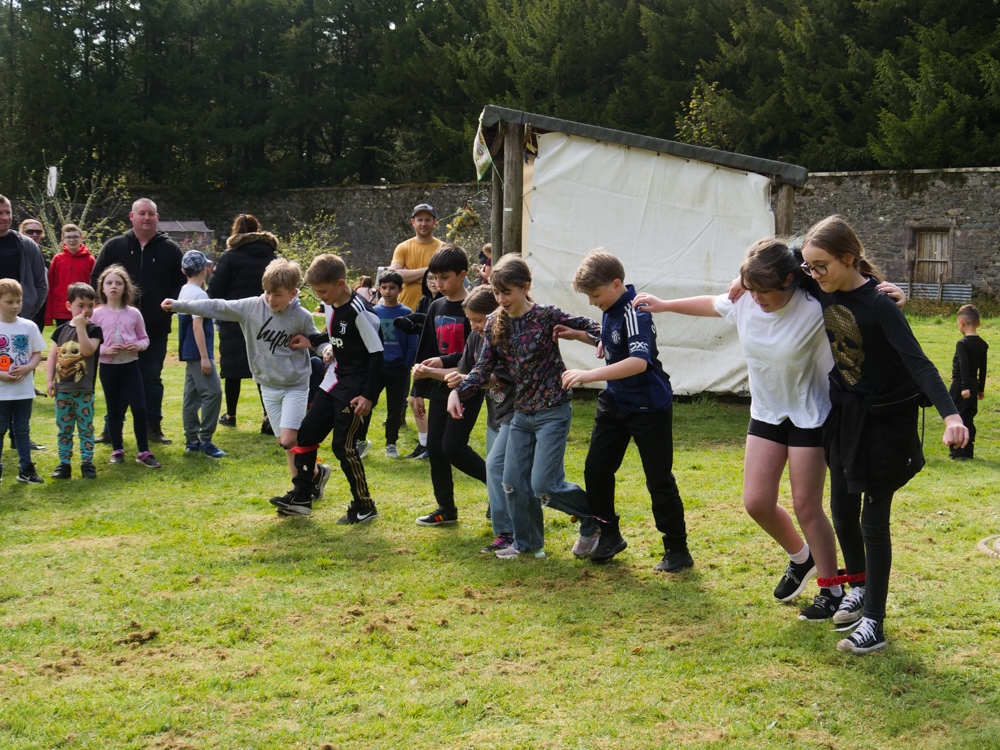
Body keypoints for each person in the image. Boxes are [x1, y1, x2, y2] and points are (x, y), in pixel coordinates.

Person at [635, 240, 841, 604]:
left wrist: (893, 297)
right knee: (757, 502)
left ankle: (832, 588)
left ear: (789, 280)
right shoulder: (745, 298)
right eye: (751, 288)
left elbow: (856, 292)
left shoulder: (814, 307)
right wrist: (665, 305)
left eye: (763, 290)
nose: (756, 298)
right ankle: (801, 558)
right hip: (767, 412)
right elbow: (712, 304)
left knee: (807, 507)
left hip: (810, 414)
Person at [797, 214, 967, 654]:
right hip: (845, 417)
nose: (813, 274)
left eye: (821, 266)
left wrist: (951, 417)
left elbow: (920, 363)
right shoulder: (820, 283)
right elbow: (775, 263)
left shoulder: (881, 306)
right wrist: (740, 284)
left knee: (872, 521)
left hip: (885, 425)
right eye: (809, 266)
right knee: (841, 509)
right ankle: (857, 588)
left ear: (849, 258)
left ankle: (874, 622)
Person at [448, 254, 600, 559]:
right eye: (496, 293)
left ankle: (595, 520)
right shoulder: (495, 322)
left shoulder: (546, 315)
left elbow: (593, 326)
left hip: (552, 411)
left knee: (544, 485)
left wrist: (600, 340)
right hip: (521, 414)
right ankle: (527, 545)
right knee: (513, 483)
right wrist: (457, 391)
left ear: (525, 287)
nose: (501, 299)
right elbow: (483, 368)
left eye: (507, 292)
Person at [556, 250, 693, 573]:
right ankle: (609, 535)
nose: (592, 302)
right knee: (596, 470)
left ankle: (677, 549)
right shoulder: (611, 307)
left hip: (649, 407)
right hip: (615, 402)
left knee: (658, 480)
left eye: (595, 294)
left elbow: (638, 362)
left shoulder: (636, 311)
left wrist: (588, 375)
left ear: (616, 284)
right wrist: (579, 335)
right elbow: (612, 341)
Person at [163, 258, 331, 511]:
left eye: (277, 295)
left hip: (295, 385)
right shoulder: (252, 307)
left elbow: (318, 340)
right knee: (284, 442)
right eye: (267, 292)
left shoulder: (302, 316)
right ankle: (314, 476)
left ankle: (301, 492)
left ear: (293, 293)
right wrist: (178, 305)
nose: (270, 299)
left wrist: (324, 348)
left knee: (289, 439)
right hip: (267, 385)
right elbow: (217, 306)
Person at [284, 254, 383, 522]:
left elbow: (377, 356)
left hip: (355, 389)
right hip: (334, 380)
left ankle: (364, 506)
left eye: (323, 292)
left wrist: (368, 396)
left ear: (340, 284)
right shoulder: (331, 303)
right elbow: (335, 336)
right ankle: (302, 496)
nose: (319, 297)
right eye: (316, 292)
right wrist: (315, 341)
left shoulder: (361, 313)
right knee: (306, 434)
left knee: (344, 447)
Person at [91, 198, 183, 445]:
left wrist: (169, 307)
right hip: (115, 331)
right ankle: (111, 429)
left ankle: (153, 427)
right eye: (141, 213)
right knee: (116, 380)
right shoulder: (114, 246)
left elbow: (180, 282)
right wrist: (105, 308)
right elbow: (96, 278)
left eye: (151, 214)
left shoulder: (170, 249)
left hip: (154, 328)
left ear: (157, 217)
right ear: (132, 217)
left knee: (151, 378)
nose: (146, 218)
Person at [411, 245, 487, 526]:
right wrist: (417, 392)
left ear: (462, 275)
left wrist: (441, 367)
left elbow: (472, 360)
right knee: (434, 447)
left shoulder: (475, 308)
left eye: (445, 277)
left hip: (467, 386)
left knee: (452, 448)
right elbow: (425, 350)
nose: (438, 284)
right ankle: (446, 508)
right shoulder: (435, 306)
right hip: (438, 388)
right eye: (434, 278)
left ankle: (501, 488)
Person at [444, 285, 516, 552]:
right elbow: (466, 372)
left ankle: (511, 532)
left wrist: (464, 383)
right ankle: (508, 530)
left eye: (478, 320)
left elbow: (493, 377)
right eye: (470, 320)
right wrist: (455, 389)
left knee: (500, 470)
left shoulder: (507, 338)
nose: (473, 326)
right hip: (495, 414)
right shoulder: (476, 337)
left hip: (517, 412)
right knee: (497, 472)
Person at [208, 214, 279, 432]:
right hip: (266, 317)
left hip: (235, 318)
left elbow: (215, 290)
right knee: (264, 367)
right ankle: (268, 416)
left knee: (233, 368)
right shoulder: (272, 257)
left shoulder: (230, 257)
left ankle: (230, 414)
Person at [91, 265, 161, 468]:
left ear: (125, 288)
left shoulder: (134, 313)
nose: (113, 286)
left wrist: (137, 345)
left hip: (130, 366)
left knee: (139, 407)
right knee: (114, 410)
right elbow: (89, 344)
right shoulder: (96, 314)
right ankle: (117, 449)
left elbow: (144, 338)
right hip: (108, 368)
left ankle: (143, 451)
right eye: (109, 283)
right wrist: (104, 350)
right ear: (102, 288)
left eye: (118, 283)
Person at [1, 207, 48, 452]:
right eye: (0, 213)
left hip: (19, 322)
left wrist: (24, 314)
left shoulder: (26, 245)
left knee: (18, 379)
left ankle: (19, 438)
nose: (5, 217)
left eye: (7, 212)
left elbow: (41, 284)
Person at [46, 282, 102, 479]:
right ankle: (64, 463)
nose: (86, 310)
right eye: (81, 305)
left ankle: (87, 462)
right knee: (64, 428)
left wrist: (80, 327)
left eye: (90, 306)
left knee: (86, 428)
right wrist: (49, 381)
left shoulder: (94, 330)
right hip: (63, 389)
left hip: (83, 390)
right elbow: (52, 356)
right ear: (69, 306)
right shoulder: (60, 331)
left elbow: (87, 351)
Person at [176, 251, 226, 459]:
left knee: (192, 396)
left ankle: (192, 441)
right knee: (213, 393)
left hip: (188, 351)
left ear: (183, 271)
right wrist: (205, 357)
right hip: (198, 352)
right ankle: (205, 440)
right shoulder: (199, 295)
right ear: (204, 270)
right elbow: (197, 327)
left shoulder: (184, 290)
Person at [0, 278, 47, 484]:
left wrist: (28, 367)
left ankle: (26, 468)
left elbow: (37, 353)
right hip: (1, 391)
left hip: (23, 390)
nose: (15, 306)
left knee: (22, 428)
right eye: (9, 302)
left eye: (18, 301)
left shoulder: (29, 326)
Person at [372, 270, 417, 458]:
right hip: (377, 368)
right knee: (368, 403)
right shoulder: (374, 312)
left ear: (400, 289)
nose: (388, 291)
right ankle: (359, 440)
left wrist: (407, 363)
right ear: (379, 289)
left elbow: (412, 341)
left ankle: (391, 443)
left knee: (395, 408)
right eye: (384, 287)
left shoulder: (406, 313)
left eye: (392, 288)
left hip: (398, 369)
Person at [949, 304, 987, 460]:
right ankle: (968, 450)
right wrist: (980, 388)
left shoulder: (962, 343)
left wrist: (964, 387)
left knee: (957, 416)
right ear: (978, 323)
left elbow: (963, 365)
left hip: (961, 384)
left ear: (961, 322)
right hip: (974, 383)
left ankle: (958, 451)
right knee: (969, 416)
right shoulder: (983, 344)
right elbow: (983, 368)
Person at [390, 203, 444, 310]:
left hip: (434, 309)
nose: (423, 224)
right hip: (405, 308)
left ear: (434, 222)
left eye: (427, 220)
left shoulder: (443, 249)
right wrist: (429, 272)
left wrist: (408, 276)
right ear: (413, 222)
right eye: (420, 220)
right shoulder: (403, 247)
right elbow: (393, 276)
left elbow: (445, 279)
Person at [45, 224, 95, 329]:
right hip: (61, 310)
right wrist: (49, 315)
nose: (72, 240)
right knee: (63, 338)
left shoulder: (90, 260)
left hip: (83, 309)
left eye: (75, 237)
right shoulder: (58, 259)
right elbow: (50, 285)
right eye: (68, 237)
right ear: (63, 240)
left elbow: (94, 286)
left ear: (82, 238)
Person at [19, 218, 49, 335]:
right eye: (30, 231)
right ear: (21, 232)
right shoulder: (16, 251)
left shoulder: (45, 256)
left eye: (38, 232)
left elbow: (43, 284)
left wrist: (34, 307)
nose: (34, 235)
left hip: (37, 306)